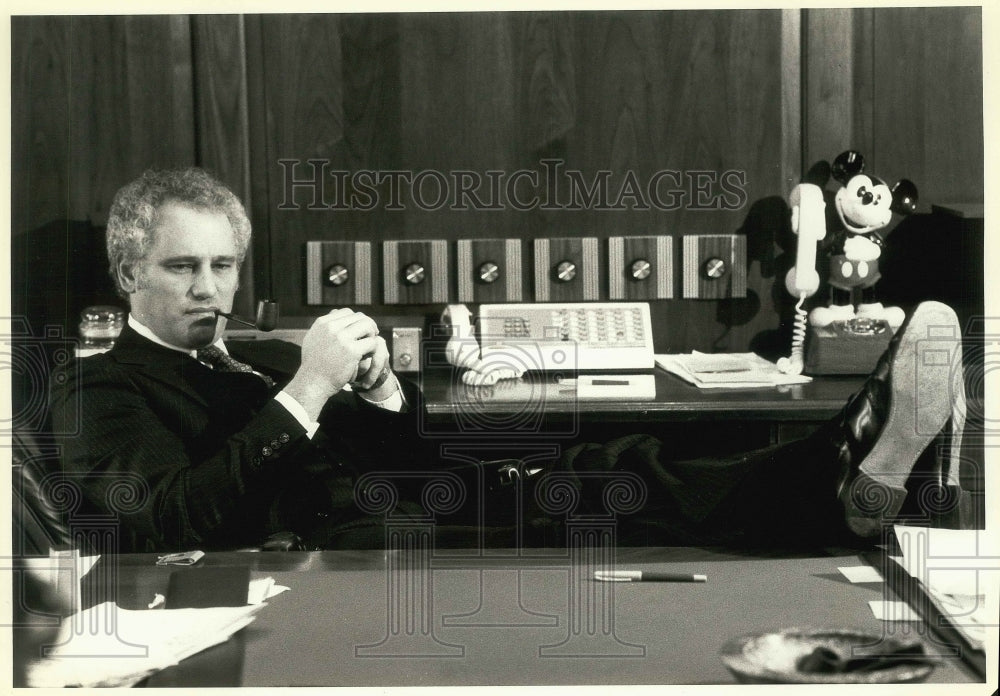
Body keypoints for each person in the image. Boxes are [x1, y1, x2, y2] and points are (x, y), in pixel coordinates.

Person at [50, 167, 968, 553]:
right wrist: (306, 392)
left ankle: (852, 469)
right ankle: (850, 476)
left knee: (617, 465)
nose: (209, 286)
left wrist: (378, 395)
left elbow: (401, 454)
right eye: (183, 266)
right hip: (341, 542)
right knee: (617, 496)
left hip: (405, 495)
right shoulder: (97, 384)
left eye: (223, 264)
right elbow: (155, 523)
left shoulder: (241, 358)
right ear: (129, 270)